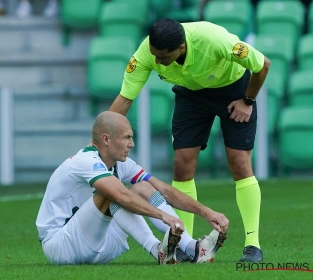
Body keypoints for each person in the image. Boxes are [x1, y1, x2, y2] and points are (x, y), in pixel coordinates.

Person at [109, 19, 270, 262]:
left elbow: (263, 65)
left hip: (234, 89)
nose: (157, 61)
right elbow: (125, 98)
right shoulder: (148, 52)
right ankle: (189, 245)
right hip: (191, 96)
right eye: (154, 54)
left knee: (239, 163)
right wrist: (101, 141)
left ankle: (252, 244)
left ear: (181, 48)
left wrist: (248, 100)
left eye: (162, 57)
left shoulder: (215, 41)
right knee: (182, 164)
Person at [36, 111, 229, 265]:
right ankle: (157, 250)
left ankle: (193, 248)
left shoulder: (121, 163)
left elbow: (165, 190)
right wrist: (163, 216)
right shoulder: (85, 161)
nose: (131, 144)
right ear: (106, 139)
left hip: (101, 244)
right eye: (127, 137)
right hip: (61, 247)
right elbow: (119, 195)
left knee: (143, 187)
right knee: (112, 193)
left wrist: (205, 211)